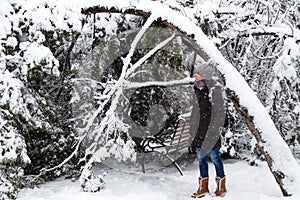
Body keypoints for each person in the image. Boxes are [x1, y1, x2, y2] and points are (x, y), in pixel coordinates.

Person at [190, 67, 227, 198]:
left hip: (211, 130)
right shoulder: (196, 89)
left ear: (204, 75)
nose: (194, 75)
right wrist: (192, 127)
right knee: (201, 159)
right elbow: (195, 110)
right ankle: (203, 188)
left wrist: (214, 128)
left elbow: (221, 112)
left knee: (215, 157)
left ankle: (221, 187)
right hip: (199, 130)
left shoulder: (214, 91)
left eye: (197, 73)